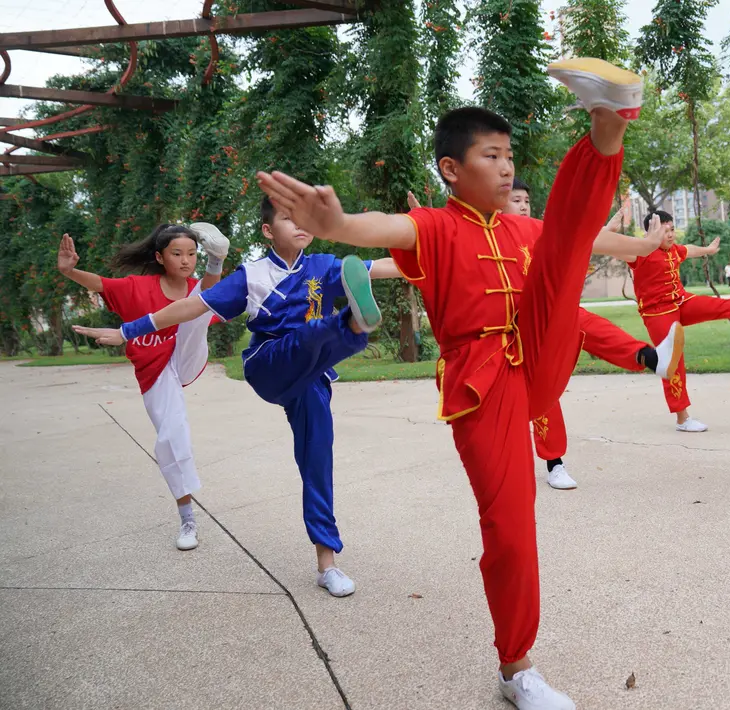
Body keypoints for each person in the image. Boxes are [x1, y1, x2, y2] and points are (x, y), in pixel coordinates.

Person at [255, 58, 642, 710]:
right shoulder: (433, 227)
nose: (506, 166)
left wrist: (652, 245)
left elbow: (584, 233)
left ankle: (610, 121)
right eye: (490, 155)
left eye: (509, 155)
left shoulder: (528, 228)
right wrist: (339, 228)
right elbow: (378, 225)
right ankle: (517, 669)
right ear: (451, 170)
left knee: (562, 247)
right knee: (510, 526)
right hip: (482, 381)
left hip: (542, 350)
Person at [75, 198, 404, 598]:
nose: (301, 224)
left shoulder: (327, 267)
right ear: (267, 231)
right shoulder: (252, 275)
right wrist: (129, 331)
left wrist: (441, 248)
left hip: (311, 378)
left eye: (306, 218)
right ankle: (352, 324)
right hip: (269, 364)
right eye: (288, 218)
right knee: (317, 332)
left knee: (318, 460)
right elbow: (189, 306)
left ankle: (327, 565)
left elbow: (391, 267)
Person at [407, 181, 684, 491]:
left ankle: (651, 358)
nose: (523, 204)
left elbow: (585, 240)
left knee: (577, 320)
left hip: (542, 323)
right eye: (516, 199)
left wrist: (643, 244)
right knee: (533, 402)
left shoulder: (536, 231)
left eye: (526, 199)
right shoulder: (484, 237)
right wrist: (423, 224)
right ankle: (551, 463)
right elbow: (439, 254)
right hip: (505, 337)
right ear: (498, 203)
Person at [58, 223, 229, 550]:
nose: (185, 261)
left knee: (201, 302)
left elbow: (217, 297)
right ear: (159, 257)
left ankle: (217, 259)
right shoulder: (137, 288)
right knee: (171, 436)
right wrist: (69, 271)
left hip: (187, 353)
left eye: (192, 254)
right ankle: (187, 519)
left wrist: (214, 270)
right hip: (156, 371)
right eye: (177, 254)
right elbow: (99, 283)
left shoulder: (197, 286)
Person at [623, 209, 730, 433]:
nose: (670, 235)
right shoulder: (639, 253)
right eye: (664, 231)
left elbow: (690, 249)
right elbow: (615, 249)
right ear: (651, 233)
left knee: (717, 306)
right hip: (658, 313)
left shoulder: (675, 250)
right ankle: (682, 419)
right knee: (673, 360)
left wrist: (708, 250)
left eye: (671, 229)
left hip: (681, 302)